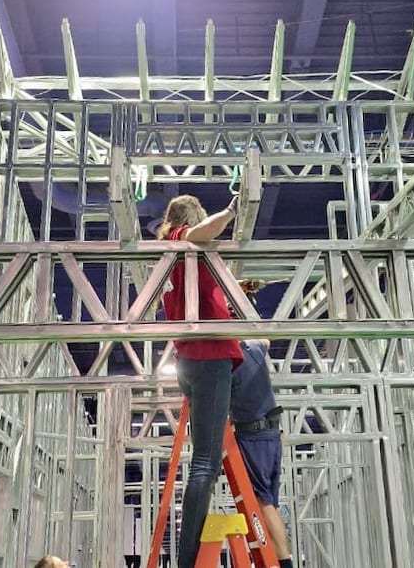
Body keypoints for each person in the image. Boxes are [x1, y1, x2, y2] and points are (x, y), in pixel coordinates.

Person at [158, 193, 242, 568]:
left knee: (204, 459)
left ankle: (187, 555)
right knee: (205, 463)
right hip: (208, 357)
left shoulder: (176, 257)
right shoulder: (180, 238)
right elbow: (201, 232)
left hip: (193, 361)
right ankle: (188, 560)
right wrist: (230, 212)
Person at [231, 338, 295, 568]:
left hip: (254, 437)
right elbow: (266, 340)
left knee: (264, 501)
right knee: (270, 503)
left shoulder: (228, 363)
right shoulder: (253, 349)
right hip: (271, 434)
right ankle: (278, 559)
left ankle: (285, 563)